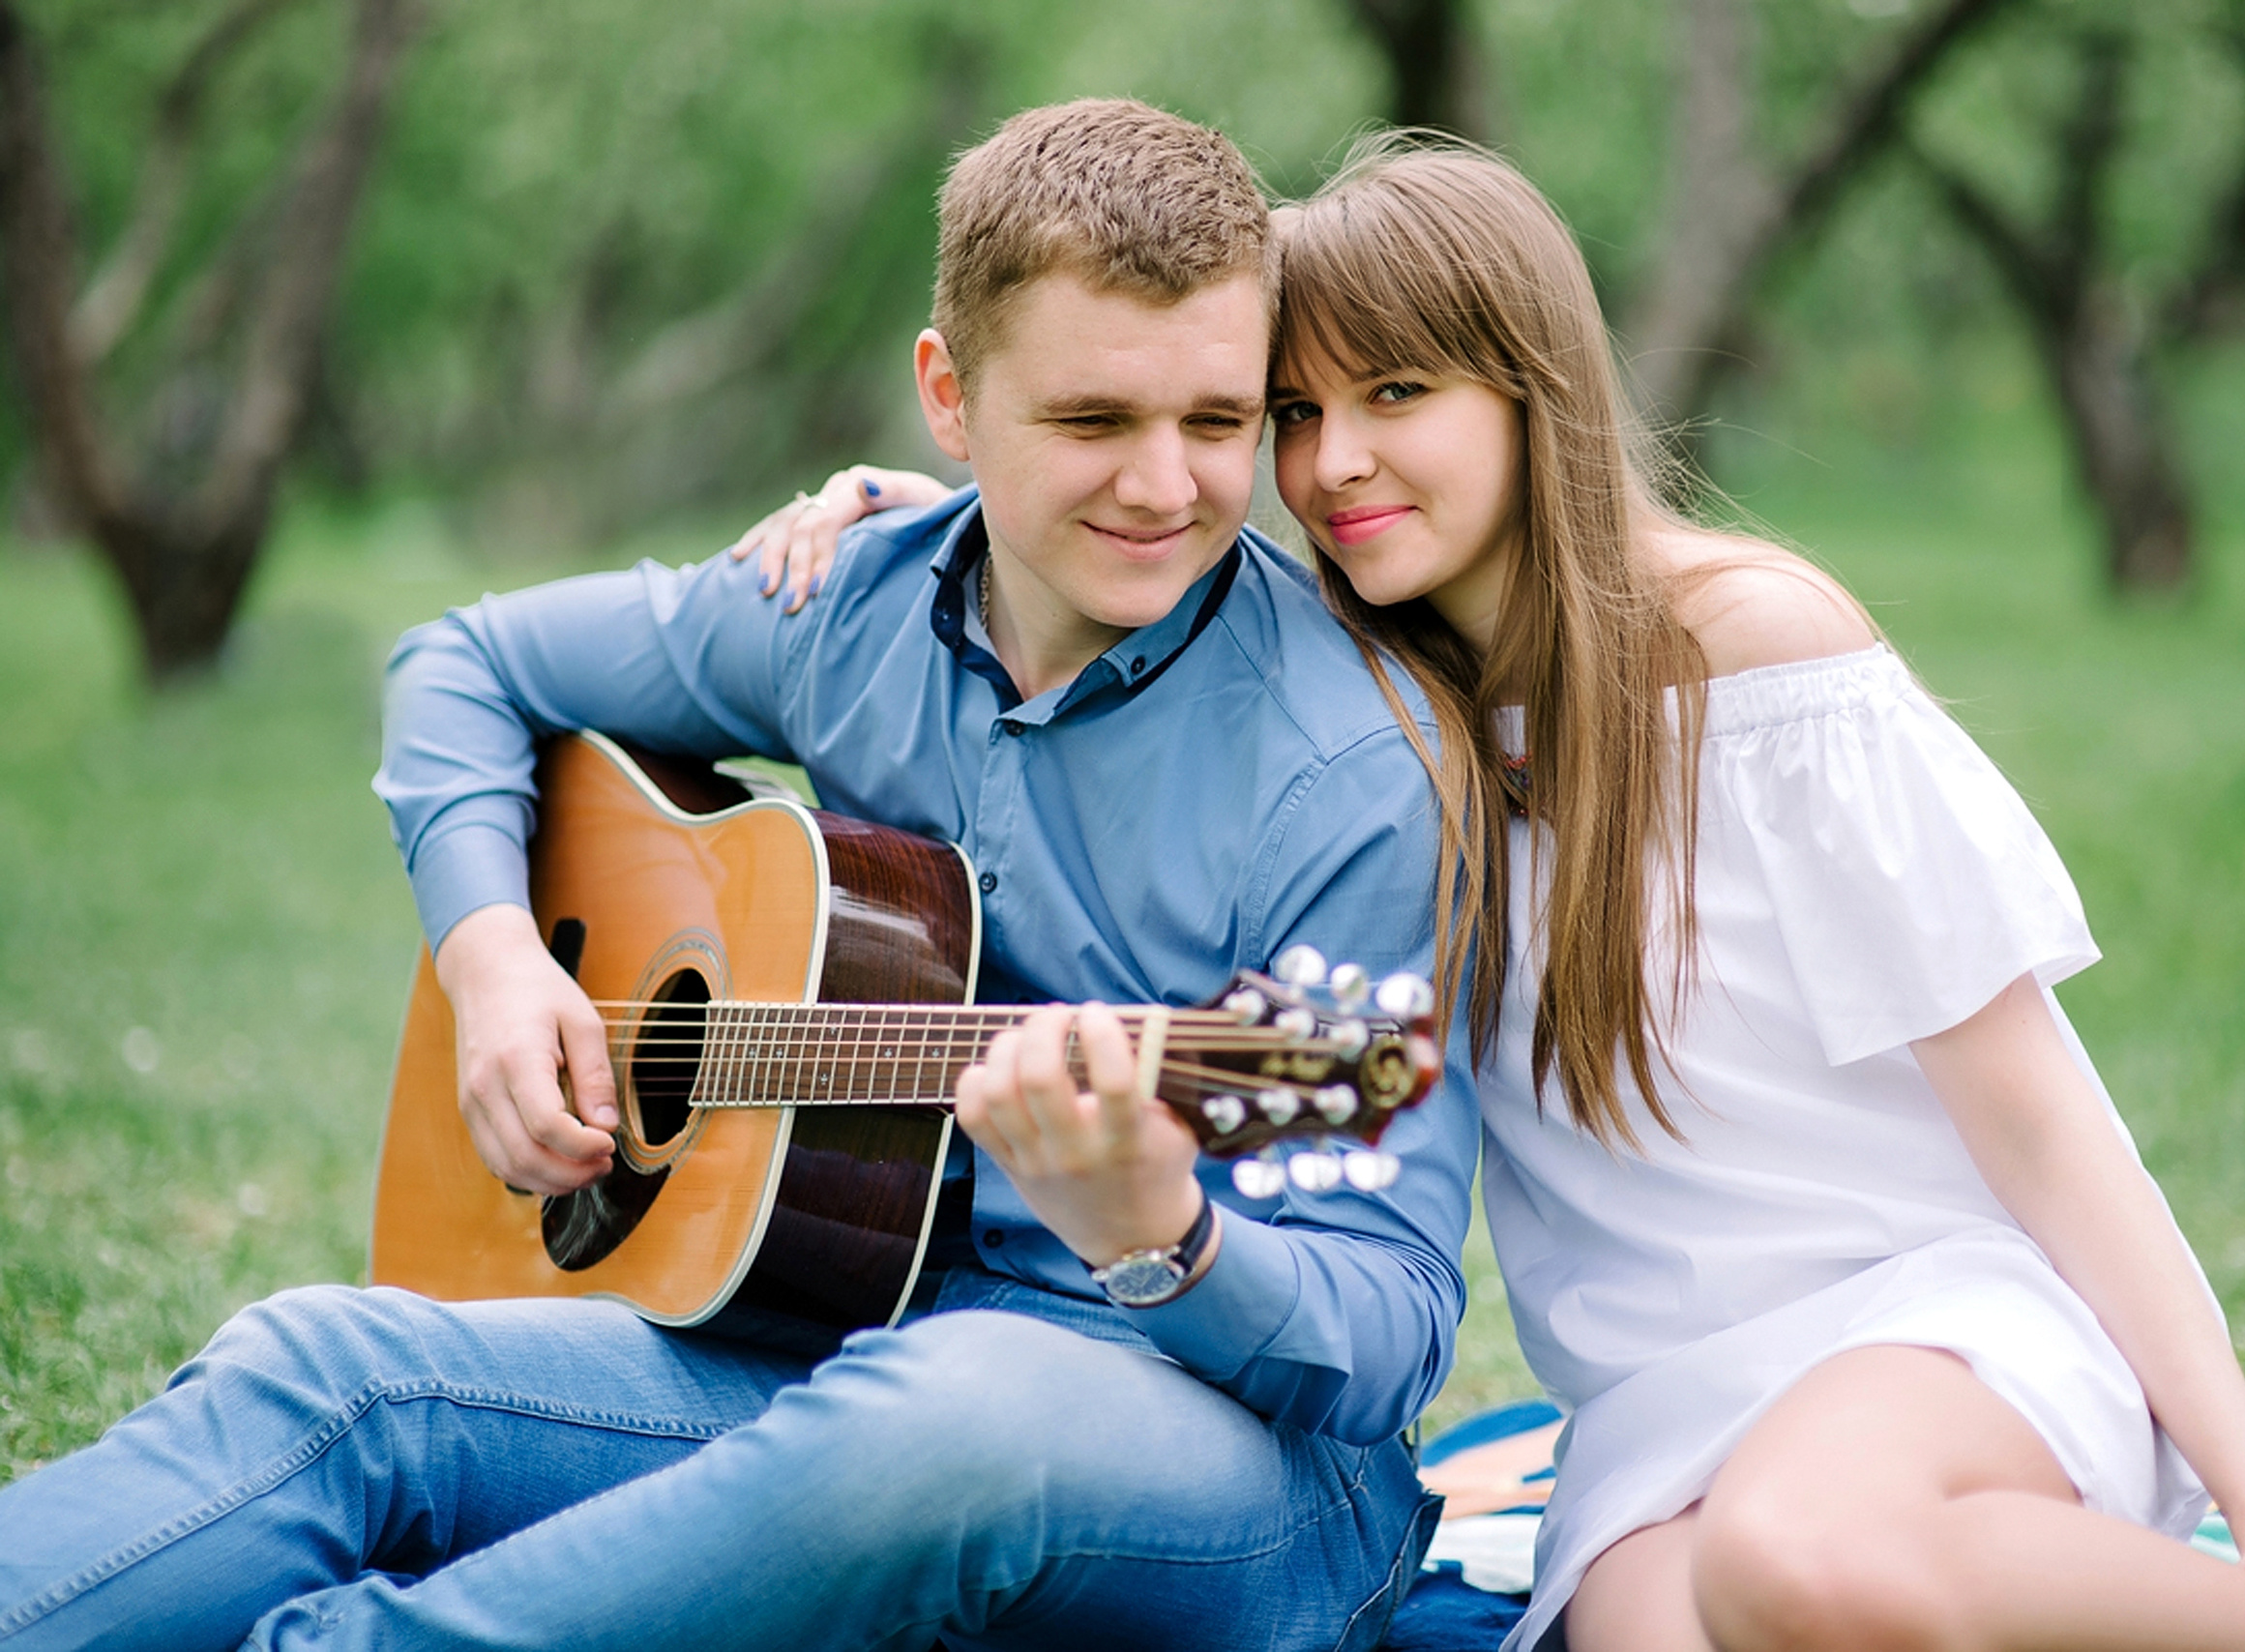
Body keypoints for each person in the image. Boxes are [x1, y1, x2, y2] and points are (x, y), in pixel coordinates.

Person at [749, 136, 2245, 1652]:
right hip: (1654, 1406)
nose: (1337, 461)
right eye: (1295, 413)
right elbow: (1124, 552)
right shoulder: (1373, 704)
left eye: (1401, 394)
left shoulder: (1756, 652)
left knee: (1811, 1564)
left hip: (1922, 1325)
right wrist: (959, 513)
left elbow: (2045, 1125)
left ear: (1530, 390)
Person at [0, 102, 1479, 1652]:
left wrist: (1164, 1234)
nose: (1166, 486)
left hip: (1237, 1471)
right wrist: (496, 962)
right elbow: (467, 664)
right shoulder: (843, 602)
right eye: (1095, 423)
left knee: (951, 1418)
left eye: (1220, 421)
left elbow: (1387, 1336)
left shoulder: (1356, 769)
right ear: (949, 399)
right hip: (830, 1352)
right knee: (335, 1373)